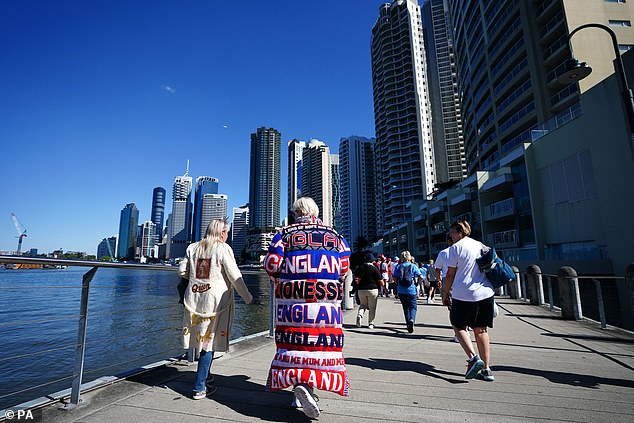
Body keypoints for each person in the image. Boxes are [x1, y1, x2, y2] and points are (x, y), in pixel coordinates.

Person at [264, 197, 351, 419]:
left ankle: (299, 389)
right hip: (325, 304)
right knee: (319, 347)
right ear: (315, 212)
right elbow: (343, 267)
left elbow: (271, 265)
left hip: (292, 305)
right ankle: (306, 391)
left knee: (295, 346)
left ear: (296, 213)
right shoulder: (335, 235)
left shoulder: (284, 234)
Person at [179, 219, 256, 400]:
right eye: (226, 233)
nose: (227, 236)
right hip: (215, 304)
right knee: (209, 342)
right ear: (221, 233)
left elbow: (182, 270)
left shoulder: (193, 247)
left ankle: (206, 377)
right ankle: (199, 386)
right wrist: (248, 298)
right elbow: (235, 276)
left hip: (194, 300)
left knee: (200, 339)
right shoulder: (222, 248)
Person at [442, 220, 496, 382]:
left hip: (463, 293)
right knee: (481, 330)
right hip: (485, 292)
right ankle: (487, 369)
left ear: (459, 231)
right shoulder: (480, 245)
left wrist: (445, 293)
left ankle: (473, 358)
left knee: (458, 325)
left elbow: (450, 275)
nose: (450, 234)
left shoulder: (455, 248)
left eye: (452, 231)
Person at [394, 251, 423, 333]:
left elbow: (395, 278)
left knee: (405, 308)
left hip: (401, 290)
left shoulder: (398, 266)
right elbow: (420, 276)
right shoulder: (413, 266)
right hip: (411, 290)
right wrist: (418, 284)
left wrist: (398, 285)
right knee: (413, 307)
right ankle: (412, 320)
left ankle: (408, 324)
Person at [352, 252, 382, 329]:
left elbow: (355, 275)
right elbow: (380, 281)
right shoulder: (374, 268)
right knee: (372, 307)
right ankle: (371, 323)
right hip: (372, 289)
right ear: (372, 260)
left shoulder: (360, 267)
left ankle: (360, 315)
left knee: (363, 304)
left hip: (361, 289)